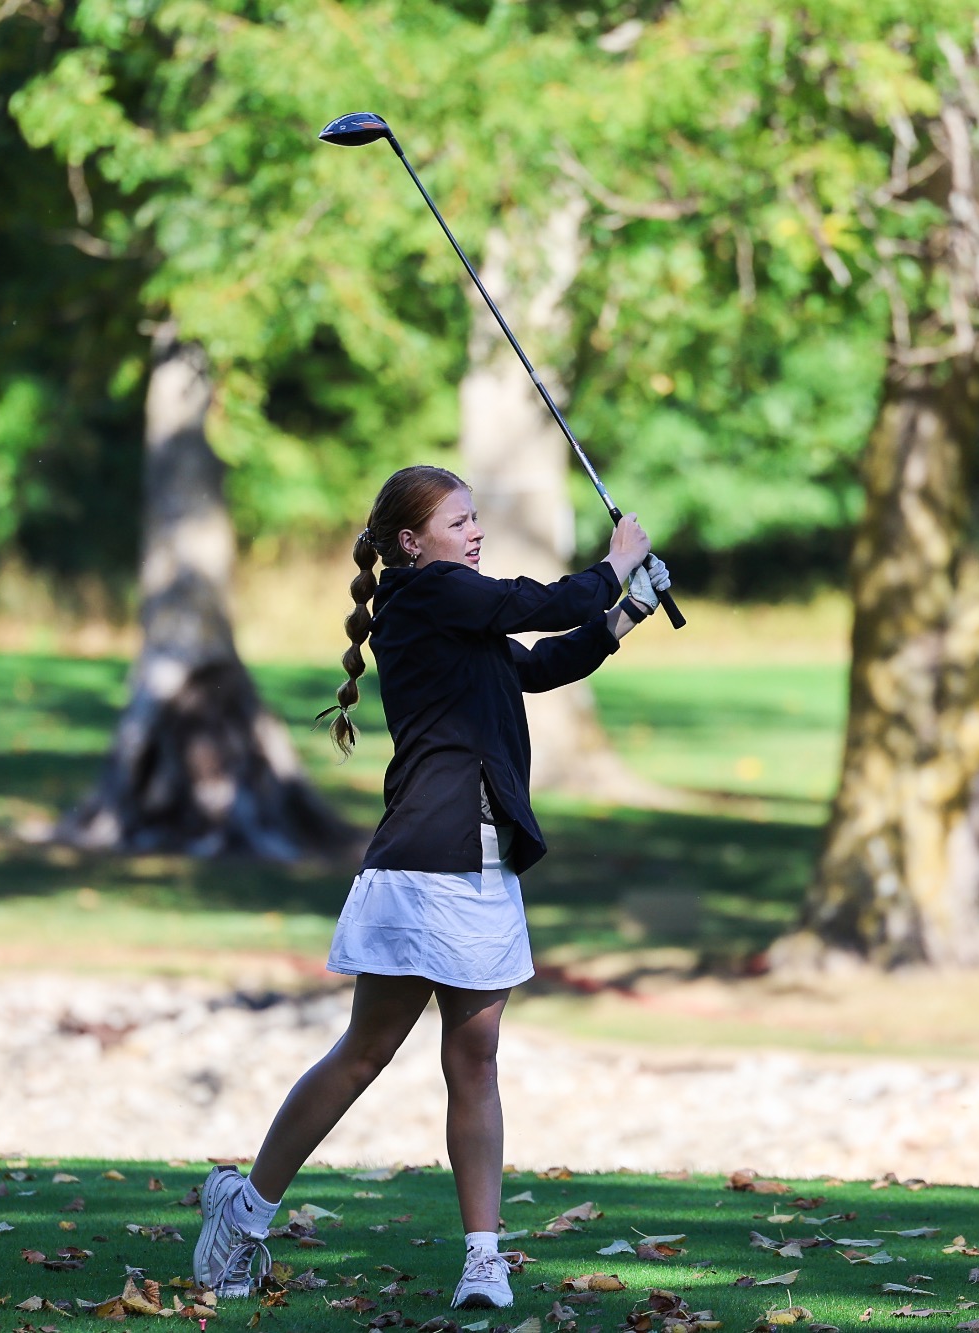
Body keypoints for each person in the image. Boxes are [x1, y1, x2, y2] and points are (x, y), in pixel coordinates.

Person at [190, 464, 671, 1313]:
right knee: (366, 1053)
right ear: (412, 542)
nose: (475, 532)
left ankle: (483, 1260)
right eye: (459, 521)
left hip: (485, 864)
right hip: (421, 864)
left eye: (476, 518)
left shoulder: (459, 611)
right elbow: (536, 603)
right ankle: (243, 1211)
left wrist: (625, 611)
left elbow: (539, 665)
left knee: (475, 1059)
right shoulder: (425, 596)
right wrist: (615, 563)